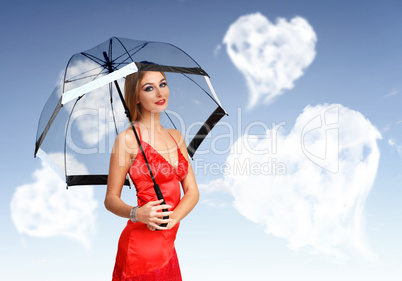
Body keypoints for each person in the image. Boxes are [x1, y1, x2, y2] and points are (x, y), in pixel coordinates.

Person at [104, 70, 199, 281]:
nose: (159, 93)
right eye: (149, 88)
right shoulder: (127, 140)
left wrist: (173, 218)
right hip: (141, 250)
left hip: (167, 244)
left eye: (162, 84)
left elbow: (192, 192)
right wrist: (137, 213)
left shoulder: (176, 136)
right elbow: (110, 200)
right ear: (136, 97)